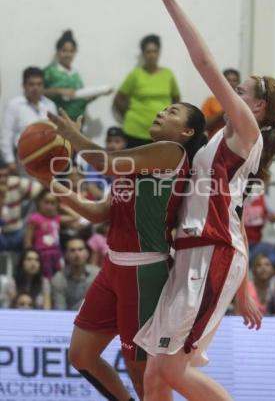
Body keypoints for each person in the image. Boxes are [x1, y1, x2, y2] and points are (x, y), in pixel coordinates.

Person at [133, 0, 275, 400]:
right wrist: (245, 290)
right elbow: (234, 216)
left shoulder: (246, 129)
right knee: (154, 377)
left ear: (257, 107)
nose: (233, 92)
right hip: (200, 254)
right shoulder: (225, 142)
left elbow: (204, 63)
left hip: (210, 256)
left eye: (242, 92)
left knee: (171, 371)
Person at [41, 98, 206, 400]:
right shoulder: (140, 162)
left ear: (186, 132)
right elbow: (98, 212)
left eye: (172, 112)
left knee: (143, 376)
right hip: (112, 267)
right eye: (163, 109)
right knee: (81, 355)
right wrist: (49, 181)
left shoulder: (173, 152)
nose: (160, 112)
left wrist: (73, 136)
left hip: (144, 272)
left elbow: (105, 162)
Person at [113, 34, 181, 148]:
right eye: (148, 52)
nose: (151, 55)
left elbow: (177, 99)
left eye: (154, 51)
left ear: (159, 53)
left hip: (162, 132)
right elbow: (119, 98)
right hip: (135, 131)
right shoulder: (136, 74)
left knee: (160, 165)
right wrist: (129, 115)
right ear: (143, 54)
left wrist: (172, 120)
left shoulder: (168, 74)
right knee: (135, 165)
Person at [44, 30, 112, 121]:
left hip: (76, 123)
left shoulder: (75, 74)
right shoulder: (50, 71)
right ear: (58, 51)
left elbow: (79, 100)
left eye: (71, 51)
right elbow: (38, 92)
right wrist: (59, 91)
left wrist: (97, 94)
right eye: (64, 51)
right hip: (58, 121)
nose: (68, 55)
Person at [0, 67, 57, 174]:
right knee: (29, 190)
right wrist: (9, 161)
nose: (35, 88)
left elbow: (56, 134)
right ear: (24, 85)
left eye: (39, 84)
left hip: (47, 159)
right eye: (31, 84)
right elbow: (6, 135)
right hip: (23, 159)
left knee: (47, 190)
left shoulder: (50, 106)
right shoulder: (14, 105)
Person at [0, 155, 42, 255]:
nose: (2, 179)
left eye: (5, 176)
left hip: (17, 232)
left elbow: (40, 191)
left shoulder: (15, 183)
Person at [51, 236, 98, 310]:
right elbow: (60, 309)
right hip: (67, 319)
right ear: (66, 255)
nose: (77, 253)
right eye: (72, 250)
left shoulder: (97, 275)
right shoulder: (59, 278)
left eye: (80, 249)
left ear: (87, 253)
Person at [24, 189, 62, 279]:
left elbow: (75, 218)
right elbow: (27, 240)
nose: (49, 206)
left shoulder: (56, 218)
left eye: (53, 203)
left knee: (58, 278)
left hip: (57, 254)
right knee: (45, 279)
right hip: (42, 254)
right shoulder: (35, 218)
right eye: (46, 202)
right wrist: (29, 256)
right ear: (39, 202)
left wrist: (61, 208)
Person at [85, 126, 127, 200]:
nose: (112, 145)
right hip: (99, 202)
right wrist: (106, 201)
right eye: (109, 141)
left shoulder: (129, 163)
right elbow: (91, 186)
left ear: (124, 143)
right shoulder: (96, 160)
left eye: (117, 141)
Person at [201, 68, 240, 139]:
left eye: (234, 80)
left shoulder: (243, 102)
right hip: (215, 144)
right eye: (227, 80)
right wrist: (223, 112)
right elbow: (203, 126)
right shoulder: (211, 101)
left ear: (239, 83)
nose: (231, 83)